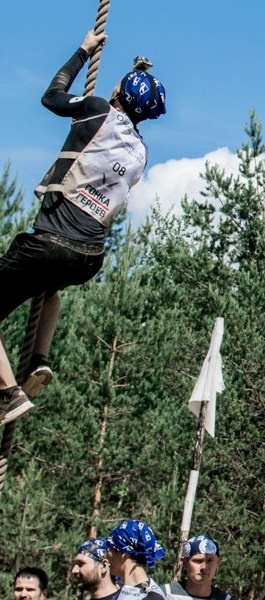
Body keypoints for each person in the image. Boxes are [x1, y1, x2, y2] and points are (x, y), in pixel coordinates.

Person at [0, 30, 166, 422]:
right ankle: (39, 359)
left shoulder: (98, 110)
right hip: (90, 256)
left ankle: (7, 394)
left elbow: (52, 96)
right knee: (49, 288)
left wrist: (83, 51)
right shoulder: (140, 152)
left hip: (51, 244)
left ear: (121, 93)